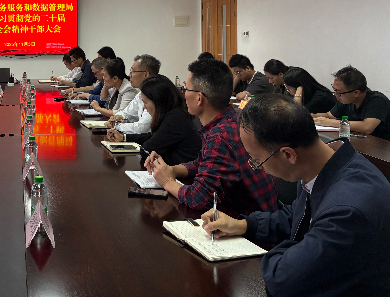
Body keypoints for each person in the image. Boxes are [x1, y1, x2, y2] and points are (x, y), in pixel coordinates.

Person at [202, 95, 390, 297]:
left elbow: (282, 279)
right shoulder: (323, 164)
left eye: (257, 160)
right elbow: (297, 216)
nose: (259, 168)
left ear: (288, 154)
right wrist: (243, 225)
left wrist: (293, 252)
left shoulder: (347, 211)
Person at [145, 58, 278, 215]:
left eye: (186, 89)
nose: (183, 94)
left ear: (199, 98)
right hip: (254, 214)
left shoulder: (221, 135)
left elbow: (198, 199)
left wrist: (167, 181)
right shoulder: (231, 118)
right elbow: (203, 163)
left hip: (248, 223)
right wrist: (171, 170)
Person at [107, 76, 201, 165]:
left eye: (145, 102)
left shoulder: (175, 118)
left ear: (158, 101)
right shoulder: (173, 113)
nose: (145, 107)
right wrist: (123, 137)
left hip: (184, 174)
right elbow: (153, 136)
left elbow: (147, 150)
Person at [313, 65, 390, 140]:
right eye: (334, 89)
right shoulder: (346, 99)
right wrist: (309, 116)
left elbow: (367, 127)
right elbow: (329, 115)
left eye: (339, 92)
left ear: (356, 93)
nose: (335, 94)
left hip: (381, 145)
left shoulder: (377, 101)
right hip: (359, 140)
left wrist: (330, 122)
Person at [108, 54, 161, 134]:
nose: (129, 75)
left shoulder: (155, 95)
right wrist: (117, 117)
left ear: (145, 74)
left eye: (132, 71)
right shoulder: (141, 93)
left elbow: (141, 128)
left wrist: (117, 126)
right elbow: (126, 113)